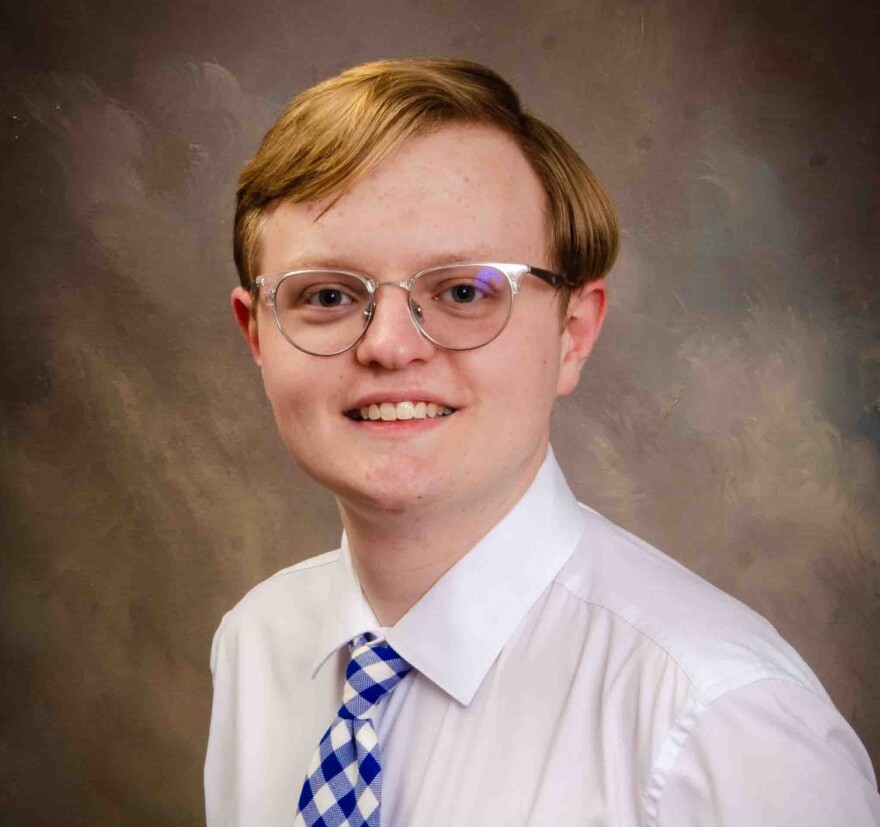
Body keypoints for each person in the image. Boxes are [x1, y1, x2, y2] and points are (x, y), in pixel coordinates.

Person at [204, 58, 879, 826]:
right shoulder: (255, 646)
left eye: (464, 291)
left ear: (574, 334)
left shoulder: (723, 729)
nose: (390, 346)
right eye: (326, 295)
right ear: (257, 333)